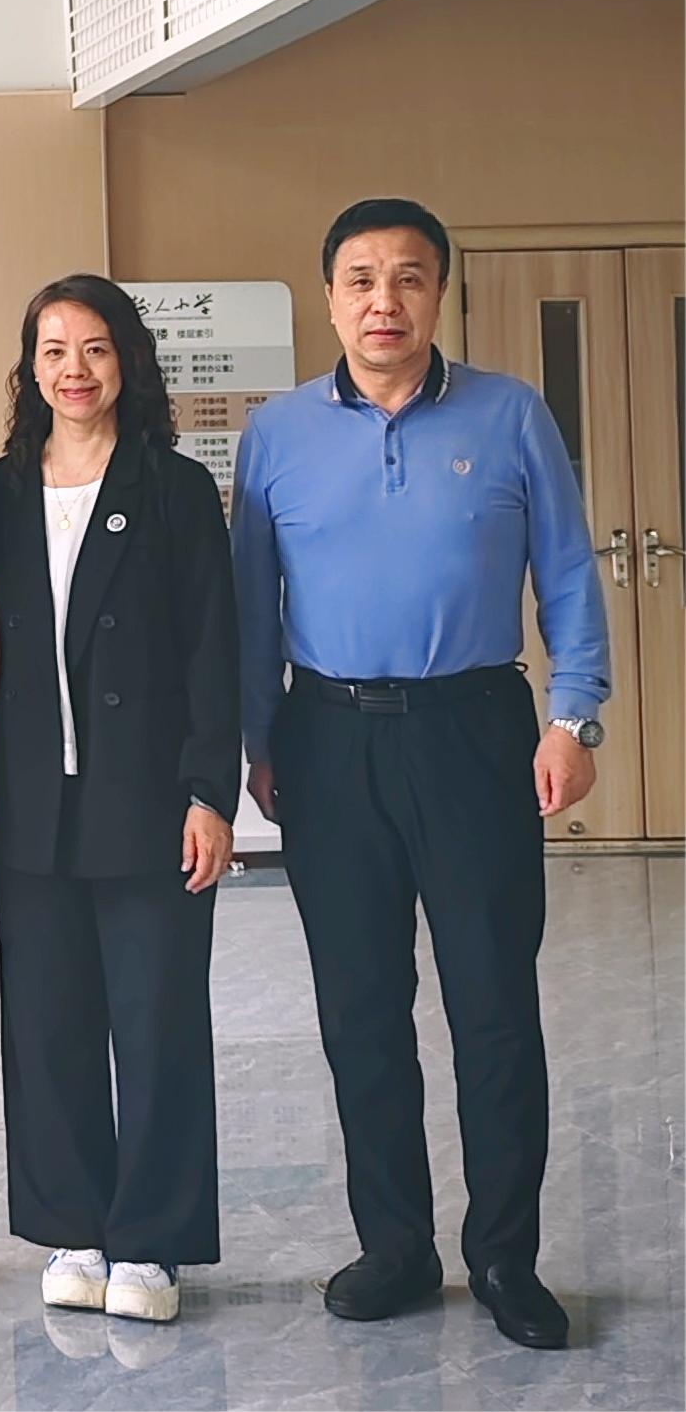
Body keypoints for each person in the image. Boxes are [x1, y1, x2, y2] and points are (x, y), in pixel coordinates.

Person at [234, 198, 610, 1352]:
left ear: (439, 290)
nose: (382, 300)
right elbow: (252, 602)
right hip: (327, 735)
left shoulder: (508, 412)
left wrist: (573, 717)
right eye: (359, 278)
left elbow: (567, 570)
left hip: (474, 729)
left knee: (492, 1004)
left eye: (407, 276)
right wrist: (257, 739)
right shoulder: (275, 433)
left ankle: (504, 1255)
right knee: (360, 1010)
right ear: (329, 296)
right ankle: (394, 1244)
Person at [0, 275, 238, 1325]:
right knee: (46, 1024)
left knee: (156, 1018)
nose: (73, 369)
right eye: (52, 350)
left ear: (127, 359)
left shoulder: (173, 487)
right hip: (29, 798)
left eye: (93, 347)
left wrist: (209, 790)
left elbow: (213, 647)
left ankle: (152, 1239)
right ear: (29, 368)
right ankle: (73, 1224)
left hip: (148, 794)